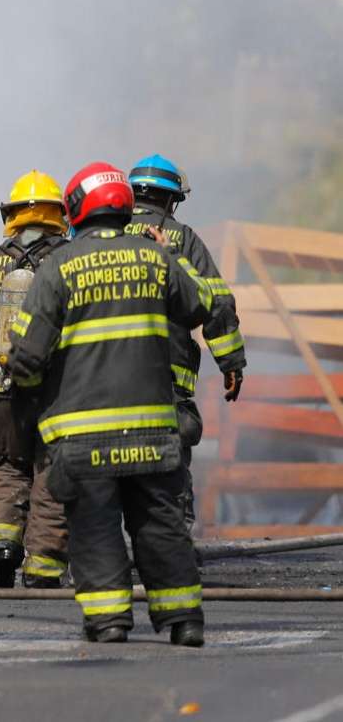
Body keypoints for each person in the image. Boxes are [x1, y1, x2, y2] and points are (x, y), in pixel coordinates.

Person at [8, 163, 210, 647]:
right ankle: (184, 620)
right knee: (160, 523)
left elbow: (27, 358)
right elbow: (201, 306)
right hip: (152, 430)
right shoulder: (156, 260)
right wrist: (170, 258)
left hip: (84, 437)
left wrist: (30, 389)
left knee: (95, 527)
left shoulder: (58, 268)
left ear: (77, 209)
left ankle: (109, 621)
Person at [124, 154, 245, 530]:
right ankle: (170, 552)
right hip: (168, 384)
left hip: (104, 380)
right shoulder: (183, 239)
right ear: (171, 200)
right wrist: (231, 363)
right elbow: (216, 302)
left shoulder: (103, 235)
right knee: (169, 477)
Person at [0, 171, 71, 589]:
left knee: (8, 469)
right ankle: (44, 565)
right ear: (59, 214)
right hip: (56, 394)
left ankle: (2, 548)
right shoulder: (71, 259)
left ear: (11, 215)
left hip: (2, 397)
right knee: (48, 474)